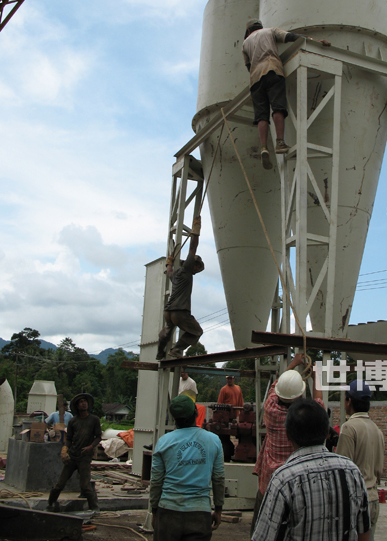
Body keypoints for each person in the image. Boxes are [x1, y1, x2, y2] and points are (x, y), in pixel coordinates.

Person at [252, 398, 371, 541]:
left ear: (288, 435)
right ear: (327, 432)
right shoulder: (352, 472)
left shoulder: (284, 480)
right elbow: (364, 533)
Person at [242, 19, 331, 170]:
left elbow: (248, 65)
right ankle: (280, 142)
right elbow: (290, 37)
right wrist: (313, 40)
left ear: (249, 31)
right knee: (278, 107)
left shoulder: (245, 43)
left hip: (255, 79)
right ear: (260, 27)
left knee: (261, 116)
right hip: (272, 68)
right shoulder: (270, 31)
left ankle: (264, 147)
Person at [251, 353, 324, 533]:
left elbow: (275, 388)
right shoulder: (307, 418)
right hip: (300, 483)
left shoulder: (270, 410)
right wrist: (317, 377)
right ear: (300, 395)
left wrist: (293, 364)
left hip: (270, 481)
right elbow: (319, 403)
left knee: (261, 527)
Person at [149, 394, 225, 541]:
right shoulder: (214, 440)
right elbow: (219, 478)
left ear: (174, 417)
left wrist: (154, 511)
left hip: (168, 513)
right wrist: (218, 509)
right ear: (196, 412)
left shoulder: (163, 442)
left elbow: (156, 481)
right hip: (199, 514)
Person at [336, 381, 385, 541]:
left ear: (349, 401)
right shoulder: (377, 430)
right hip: (373, 499)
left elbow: (343, 469)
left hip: (355, 501)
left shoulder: (349, 428)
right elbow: (379, 469)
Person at [157, 216, 204, 360]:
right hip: (180, 311)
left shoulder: (175, 274)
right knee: (196, 332)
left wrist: (168, 262)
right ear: (193, 265)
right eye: (197, 268)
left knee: (167, 332)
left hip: (168, 310)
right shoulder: (186, 269)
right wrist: (196, 230)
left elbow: (169, 271)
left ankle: (160, 352)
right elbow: (192, 248)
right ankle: (176, 350)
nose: (197, 271)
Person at [47, 393, 101, 514]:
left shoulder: (94, 420)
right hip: (72, 456)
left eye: (85, 401)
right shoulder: (73, 421)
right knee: (60, 484)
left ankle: (94, 508)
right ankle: (50, 504)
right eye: (81, 402)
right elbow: (69, 438)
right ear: (77, 406)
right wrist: (65, 449)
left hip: (85, 457)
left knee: (85, 486)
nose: (83, 403)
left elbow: (98, 437)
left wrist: (90, 447)